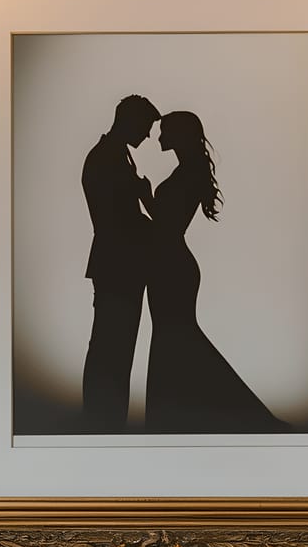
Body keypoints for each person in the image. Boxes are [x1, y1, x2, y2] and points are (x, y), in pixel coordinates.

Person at [145, 110, 284, 434]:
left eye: (164, 131)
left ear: (178, 135)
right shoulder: (188, 170)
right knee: (174, 336)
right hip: (169, 263)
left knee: (175, 335)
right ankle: (174, 413)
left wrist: (143, 195)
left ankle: (181, 414)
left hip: (171, 266)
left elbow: (168, 223)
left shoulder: (188, 173)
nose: (159, 137)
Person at [81, 94, 160, 431]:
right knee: (109, 346)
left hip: (123, 264)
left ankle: (110, 418)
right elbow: (113, 219)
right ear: (129, 121)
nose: (147, 136)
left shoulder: (117, 156)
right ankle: (102, 420)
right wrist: (143, 200)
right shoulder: (106, 158)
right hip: (118, 265)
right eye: (145, 127)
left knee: (119, 345)